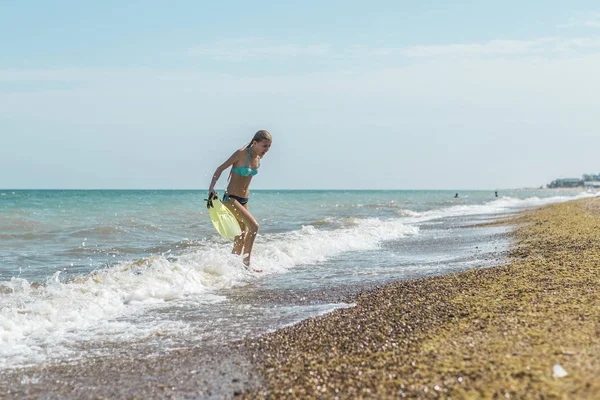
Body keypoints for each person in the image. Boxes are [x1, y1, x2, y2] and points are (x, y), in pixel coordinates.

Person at [208, 130, 272, 271]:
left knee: (240, 237)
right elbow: (220, 169)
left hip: (244, 200)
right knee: (254, 227)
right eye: (264, 146)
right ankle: (246, 265)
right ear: (255, 142)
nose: (266, 150)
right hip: (231, 199)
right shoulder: (241, 154)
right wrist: (211, 187)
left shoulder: (258, 158)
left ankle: (231, 269)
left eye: (268, 147)